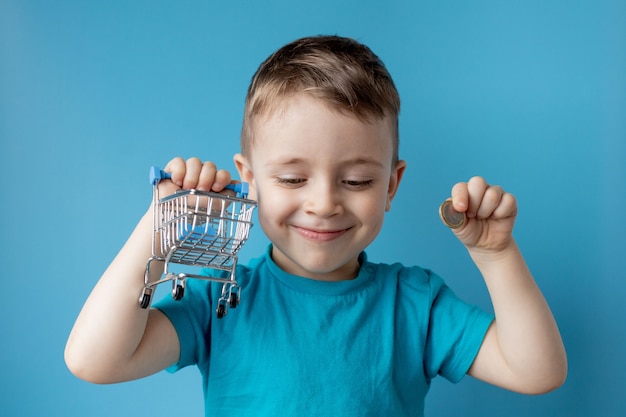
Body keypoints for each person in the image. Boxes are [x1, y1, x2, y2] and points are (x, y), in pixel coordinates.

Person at [65, 35, 567, 416]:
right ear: (249, 180)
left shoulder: (415, 303)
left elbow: (536, 371)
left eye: (355, 180)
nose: (324, 203)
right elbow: (94, 360)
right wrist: (159, 228)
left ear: (390, 186)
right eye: (292, 177)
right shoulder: (220, 298)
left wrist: (497, 255)